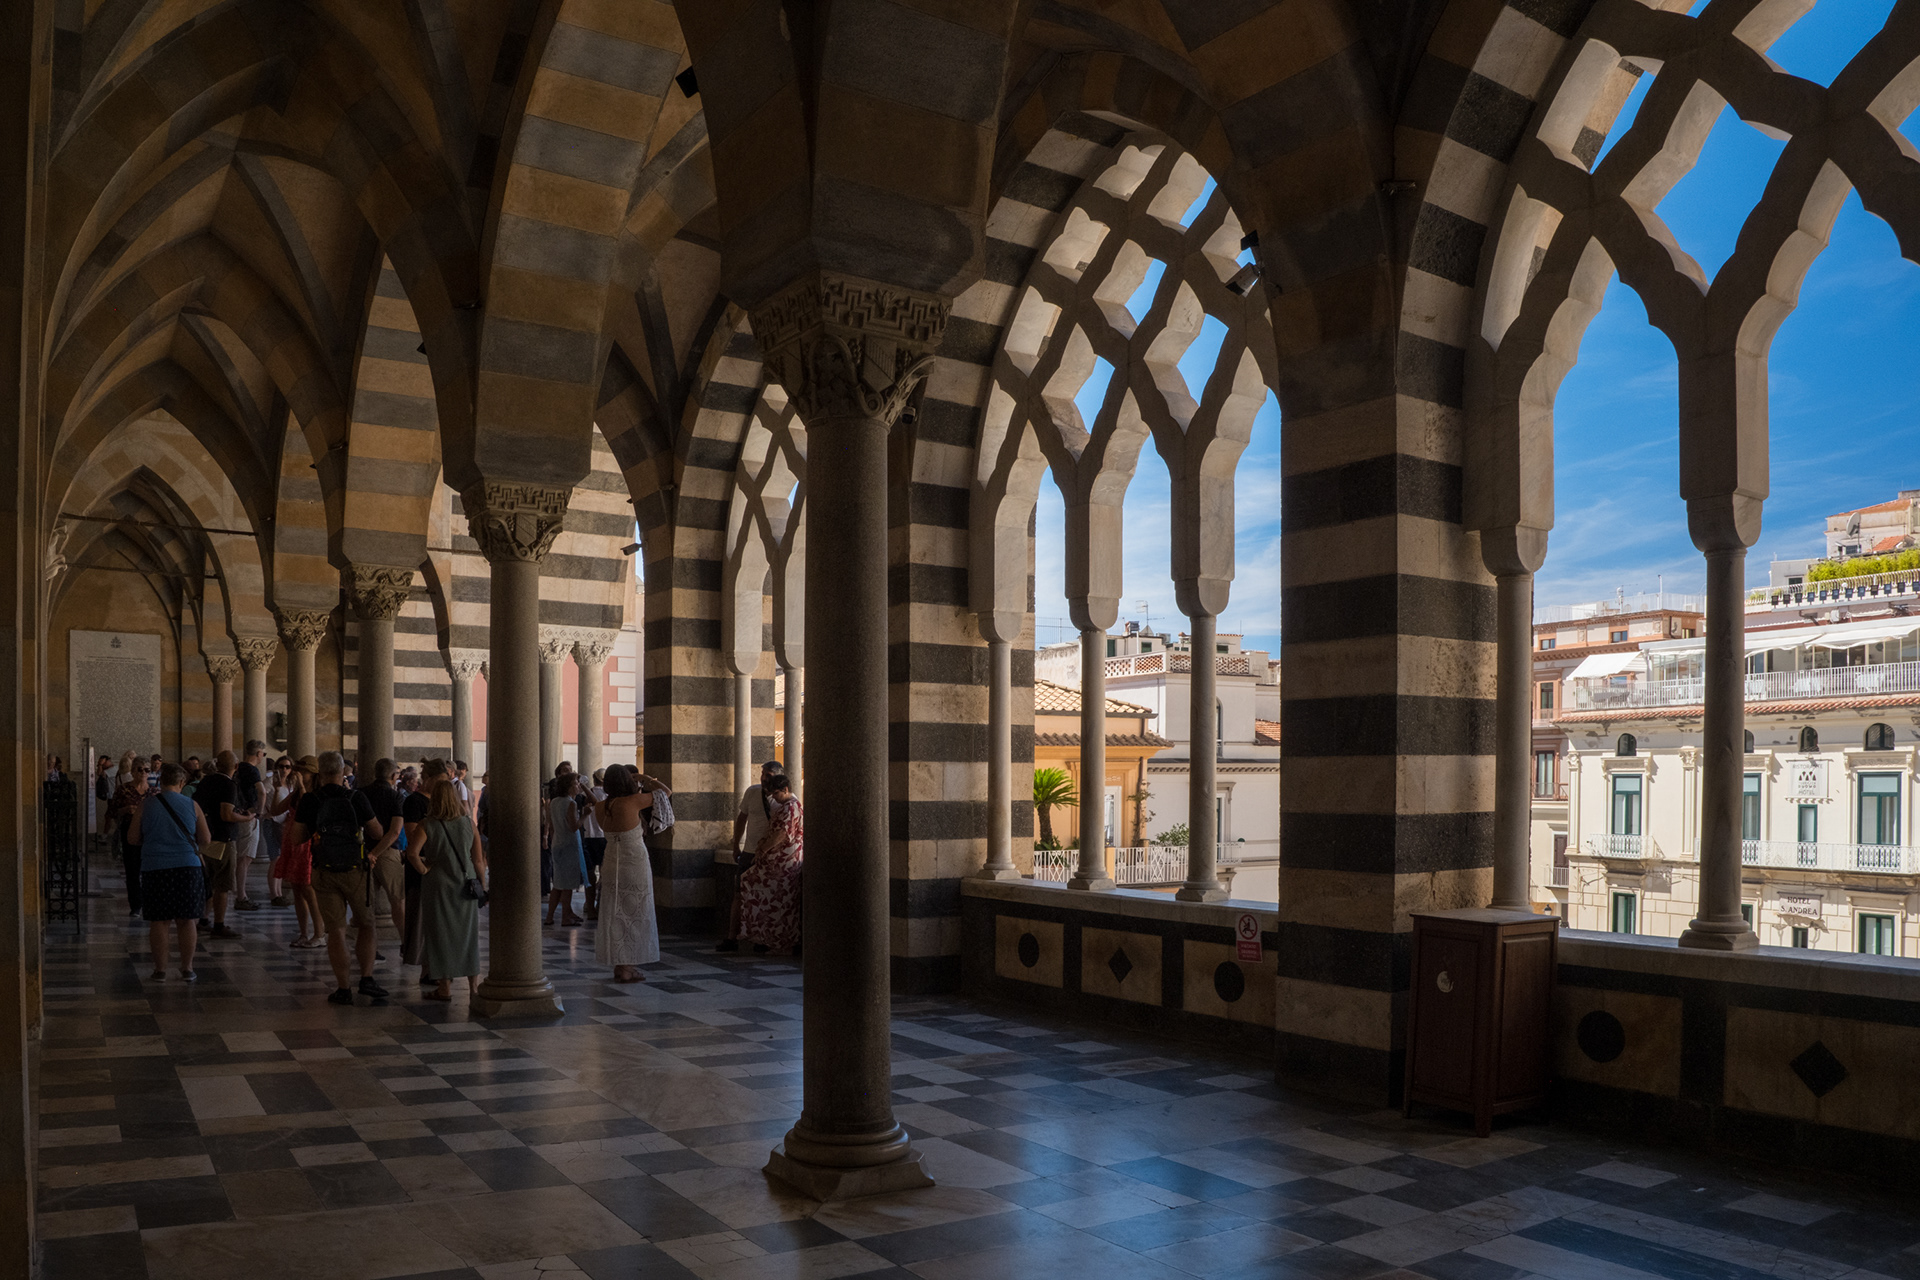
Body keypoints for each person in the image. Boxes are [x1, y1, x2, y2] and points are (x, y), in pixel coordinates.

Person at [292, 751, 388, 1005]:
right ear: (342, 771)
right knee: (367, 925)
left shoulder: (310, 800)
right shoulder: (356, 797)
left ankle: (343, 988)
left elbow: (296, 838)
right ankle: (366, 978)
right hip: (355, 870)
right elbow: (377, 832)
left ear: (320, 774)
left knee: (335, 931)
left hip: (323, 870)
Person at [406, 777, 487, 1002]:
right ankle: (473, 987)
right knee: (468, 935)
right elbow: (478, 860)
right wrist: (482, 886)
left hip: (438, 885)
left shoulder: (427, 824)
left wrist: (423, 869)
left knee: (439, 936)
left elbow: (412, 853)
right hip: (466, 883)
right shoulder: (468, 823)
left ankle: (444, 988)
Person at [128, 762, 209, 981]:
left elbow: (132, 838)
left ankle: (160, 970)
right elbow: (206, 839)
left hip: (155, 867)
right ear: (182, 783)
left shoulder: (146, 805)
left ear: (161, 782)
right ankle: (187, 968)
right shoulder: (193, 805)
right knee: (187, 919)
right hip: (187, 867)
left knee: (159, 921)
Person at [594, 765, 667, 982]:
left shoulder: (600, 807)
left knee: (614, 910)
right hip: (634, 861)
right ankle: (627, 967)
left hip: (611, 861)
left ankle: (619, 964)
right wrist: (645, 778)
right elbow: (665, 793)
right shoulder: (633, 801)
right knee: (635, 910)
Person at [717, 760, 782, 953]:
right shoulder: (752, 792)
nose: (763, 778)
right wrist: (736, 844)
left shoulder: (784, 798)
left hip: (770, 856)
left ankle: (762, 939)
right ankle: (732, 938)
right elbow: (741, 818)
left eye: (768, 775)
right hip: (749, 852)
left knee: (767, 896)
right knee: (739, 894)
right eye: (762, 773)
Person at [737, 774, 803, 954]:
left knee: (779, 903)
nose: (773, 798)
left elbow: (781, 834)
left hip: (783, 864)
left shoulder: (791, 808)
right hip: (776, 862)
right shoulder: (785, 806)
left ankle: (780, 943)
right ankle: (766, 939)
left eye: (776, 794)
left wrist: (762, 850)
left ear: (786, 790)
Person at [358, 758, 409, 952]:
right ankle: (406, 943)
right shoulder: (395, 797)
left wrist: (370, 853)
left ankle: (371, 948)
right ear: (394, 776)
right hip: (387, 853)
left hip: (364, 852)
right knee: (398, 901)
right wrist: (376, 853)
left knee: (367, 903)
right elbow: (395, 831)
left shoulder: (361, 793)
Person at [271, 756, 323, 947]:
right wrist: (278, 789)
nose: (299, 774)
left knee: (308, 889)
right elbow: (276, 810)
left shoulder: (315, 794)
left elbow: (306, 807)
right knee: (296, 888)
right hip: (292, 841)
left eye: (304, 771)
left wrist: (301, 786)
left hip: (307, 841)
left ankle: (319, 934)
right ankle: (304, 933)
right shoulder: (295, 794)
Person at [193, 751, 242, 939]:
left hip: (205, 837)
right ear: (236, 766)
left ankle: (203, 919)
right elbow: (227, 814)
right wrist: (246, 817)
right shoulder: (229, 784)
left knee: (209, 882)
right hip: (223, 839)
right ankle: (219, 925)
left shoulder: (207, 781)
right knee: (222, 885)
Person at [109, 754, 150, 916]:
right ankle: (136, 905)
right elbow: (112, 811)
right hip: (129, 831)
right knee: (132, 869)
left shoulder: (154, 791)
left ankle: (149, 901)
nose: (143, 773)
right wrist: (125, 810)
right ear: (133, 771)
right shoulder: (123, 790)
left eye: (146, 770)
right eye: (139, 769)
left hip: (149, 834)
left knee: (148, 869)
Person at [231, 739, 267, 911]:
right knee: (245, 858)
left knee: (241, 856)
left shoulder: (237, 767)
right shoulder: (252, 770)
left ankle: (239, 893)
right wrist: (258, 811)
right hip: (248, 815)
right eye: (263, 754)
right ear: (259, 753)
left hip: (237, 813)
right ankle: (241, 895)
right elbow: (262, 791)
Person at [545, 773, 586, 926]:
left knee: (558, 883)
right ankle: (565, 916)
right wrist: (585, 816)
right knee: (567, 884)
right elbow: (574, 826)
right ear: (569, 787)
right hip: (569, 845)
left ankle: (551, 916)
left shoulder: (554, 801)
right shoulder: (571, 803)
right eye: (576, 783)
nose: (578, 786)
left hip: (557, 843)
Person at [581, 769, 607, 920]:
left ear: (594, 779)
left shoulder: (586, 794)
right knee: (604, 875)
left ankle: (590, 907)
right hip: (604, 837)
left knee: (589, 875)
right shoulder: (610, 796)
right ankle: (600, 905)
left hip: (589, 837)